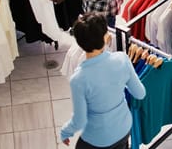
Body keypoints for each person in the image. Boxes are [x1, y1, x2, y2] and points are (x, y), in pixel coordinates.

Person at [59, 12, 146, 148]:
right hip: (123, 128)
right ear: (106, 37)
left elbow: (79, 120)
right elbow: (140, 93)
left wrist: (65, 132)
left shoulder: (78, 79)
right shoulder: (122, 59)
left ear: (79, 43)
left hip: (96, 139)